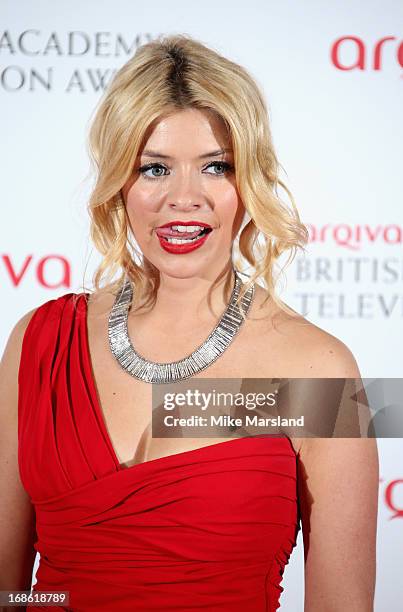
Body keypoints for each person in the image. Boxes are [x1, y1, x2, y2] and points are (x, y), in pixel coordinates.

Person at [0, 34, 378, 611]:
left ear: (249, 182)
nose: (184, 197)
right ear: (119, 185)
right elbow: (9, 590)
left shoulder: (319, 369)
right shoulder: (39, 342)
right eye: (154, 168)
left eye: (215, 167)